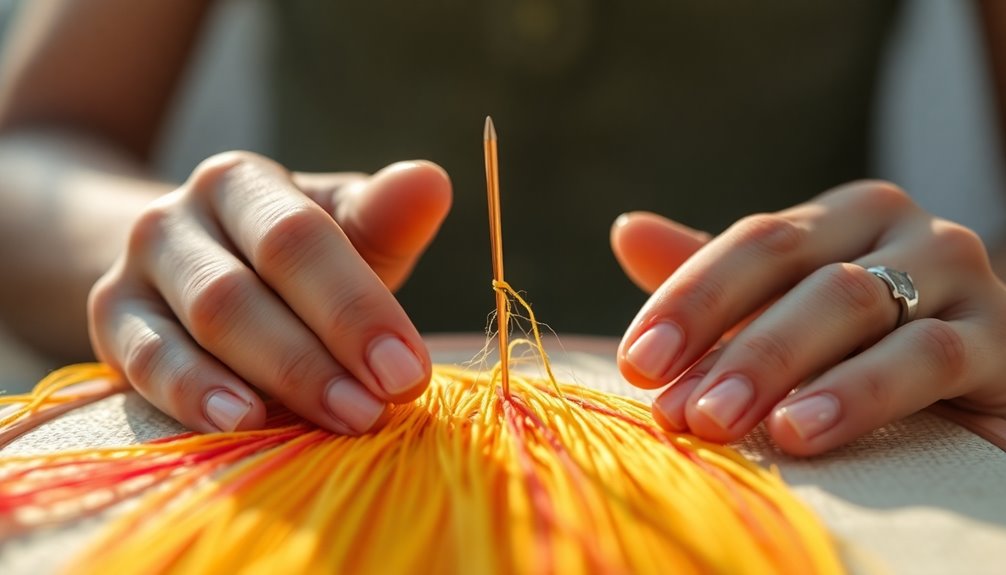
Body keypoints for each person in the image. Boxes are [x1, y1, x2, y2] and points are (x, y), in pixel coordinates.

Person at [0, 0, 1004, 456]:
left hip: (792, 437)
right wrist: (189, 256)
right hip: (320, 438)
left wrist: (950, 302)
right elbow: (27, 153)